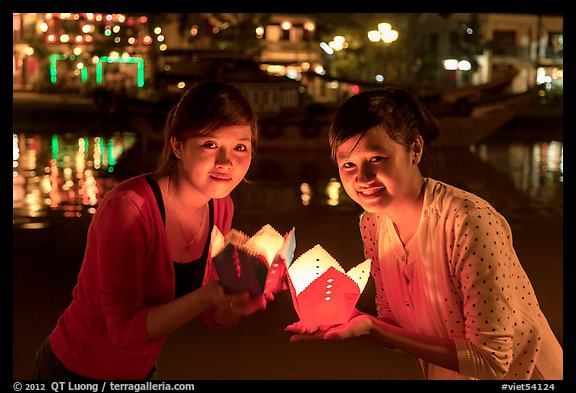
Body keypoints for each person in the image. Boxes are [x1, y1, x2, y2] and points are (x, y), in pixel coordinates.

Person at [286, 86, 563, 380]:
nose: (362, 178)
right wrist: (352, 318)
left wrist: (374, 327)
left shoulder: (469, 222)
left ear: (415, 150)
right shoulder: (373, 224)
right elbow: (398, 329)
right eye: (348, 165)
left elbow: (492, 362)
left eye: (377, 159)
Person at [31, 80, 266, 380]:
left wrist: (241, 296)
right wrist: (210, 296)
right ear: (178, 145)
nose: (226, 161)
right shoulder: (130, 209)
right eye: (210, 144)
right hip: (75, 370)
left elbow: (213, 316)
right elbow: (122, 331)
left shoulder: (220, 207)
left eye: (240, 147)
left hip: (141, 370)